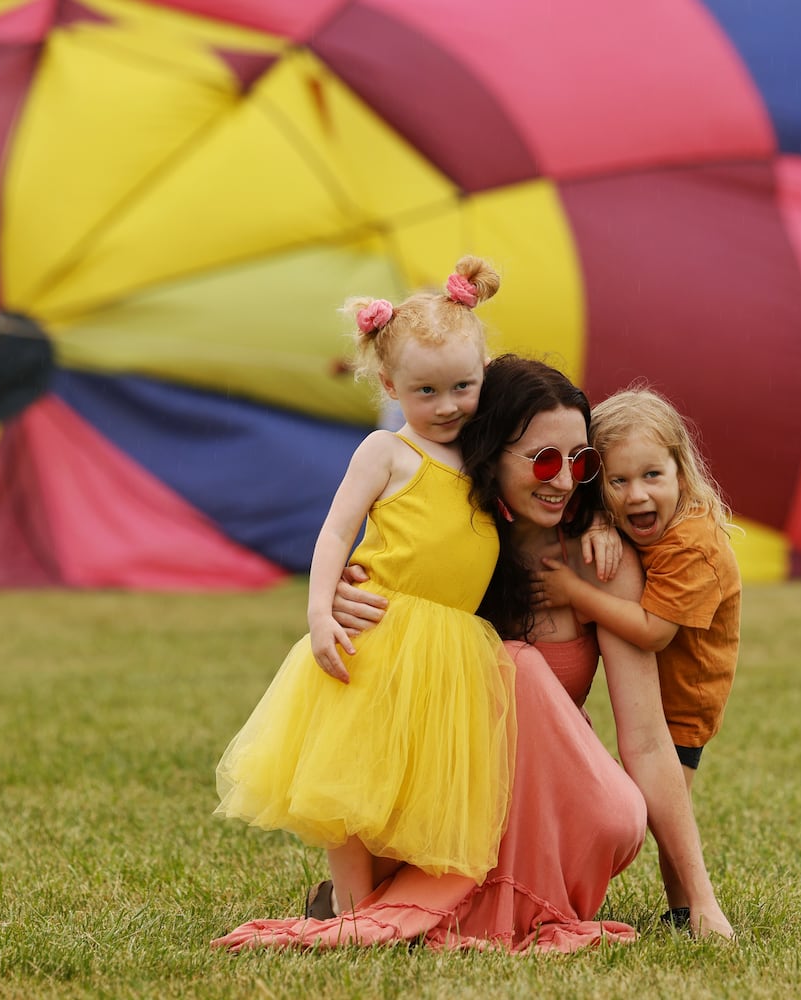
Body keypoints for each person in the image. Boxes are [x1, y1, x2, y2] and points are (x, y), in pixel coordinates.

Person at [214, 355, 734, 952]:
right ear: (491, 453)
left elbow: (644, 739)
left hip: (555, 801)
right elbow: (362, 712)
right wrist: (335, 591)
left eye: (580, 461)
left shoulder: (601, 561)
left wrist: (700, 901)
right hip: (445, 796)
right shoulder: (455, 550)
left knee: (616, 810)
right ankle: (382, 897)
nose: (563, 480)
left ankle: (424, 901)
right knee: (514, 663)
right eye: (542, 459)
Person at [214, 257, 519, 920]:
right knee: (351, 782)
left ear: (483, 375)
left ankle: (401, 900)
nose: (447, 407)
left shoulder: (486, 456)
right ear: (389, 384)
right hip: (378, 634)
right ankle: (352, 905)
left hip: (453, 649)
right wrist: (321, 611)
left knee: (420, 785)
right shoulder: (387, 451)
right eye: (425, 392)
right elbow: (334, 534)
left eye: (462, 387)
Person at [535, 385, 741, 929]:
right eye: (617, 482)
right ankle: (682, 907)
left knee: (668, 809)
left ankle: (688, 907)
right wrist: (598, 522)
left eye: (652, 476)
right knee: (660, 803)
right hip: (663, 691)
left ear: (681, 471)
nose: (634, 496)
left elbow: (652, 633)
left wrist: (577, 594)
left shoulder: (692, 545)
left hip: (684, 702)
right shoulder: (628, 520)